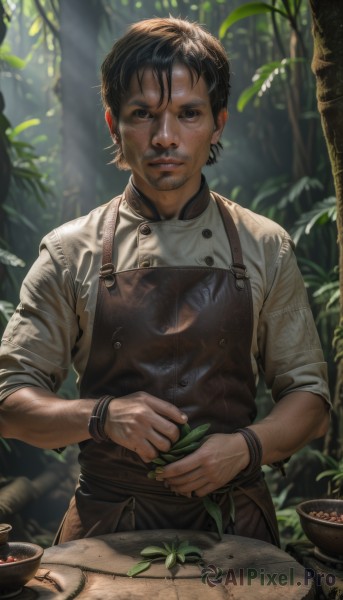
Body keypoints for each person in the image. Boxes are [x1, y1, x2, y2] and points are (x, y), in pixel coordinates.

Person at [0, 17, 330, 547]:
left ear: (218, 123)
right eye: (143, 115)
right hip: (106, 525)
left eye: (188, 114)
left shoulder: (265, 244)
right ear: (114, 124)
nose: (165, 137)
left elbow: (310, 402)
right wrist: (101, 416)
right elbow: (9, 402)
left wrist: (243, 448)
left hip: (237, 525)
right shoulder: (70, 251)